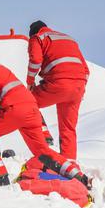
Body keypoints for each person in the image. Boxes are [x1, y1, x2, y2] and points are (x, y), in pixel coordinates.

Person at [0, 60, 90, 188]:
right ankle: (78, 176)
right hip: (32, 108)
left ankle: (1, 180)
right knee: (42, 151)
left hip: (14, 109)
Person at [26, 21, 89, 160]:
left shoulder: (37, 38)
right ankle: (70, 164)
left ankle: (45, 136)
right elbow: (86, 70)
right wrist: (80, 89)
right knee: (68, 129)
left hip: (58, 84)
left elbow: (35, 60)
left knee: (27, 102)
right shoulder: (69, 39)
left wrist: (30, 82)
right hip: (78, 87)